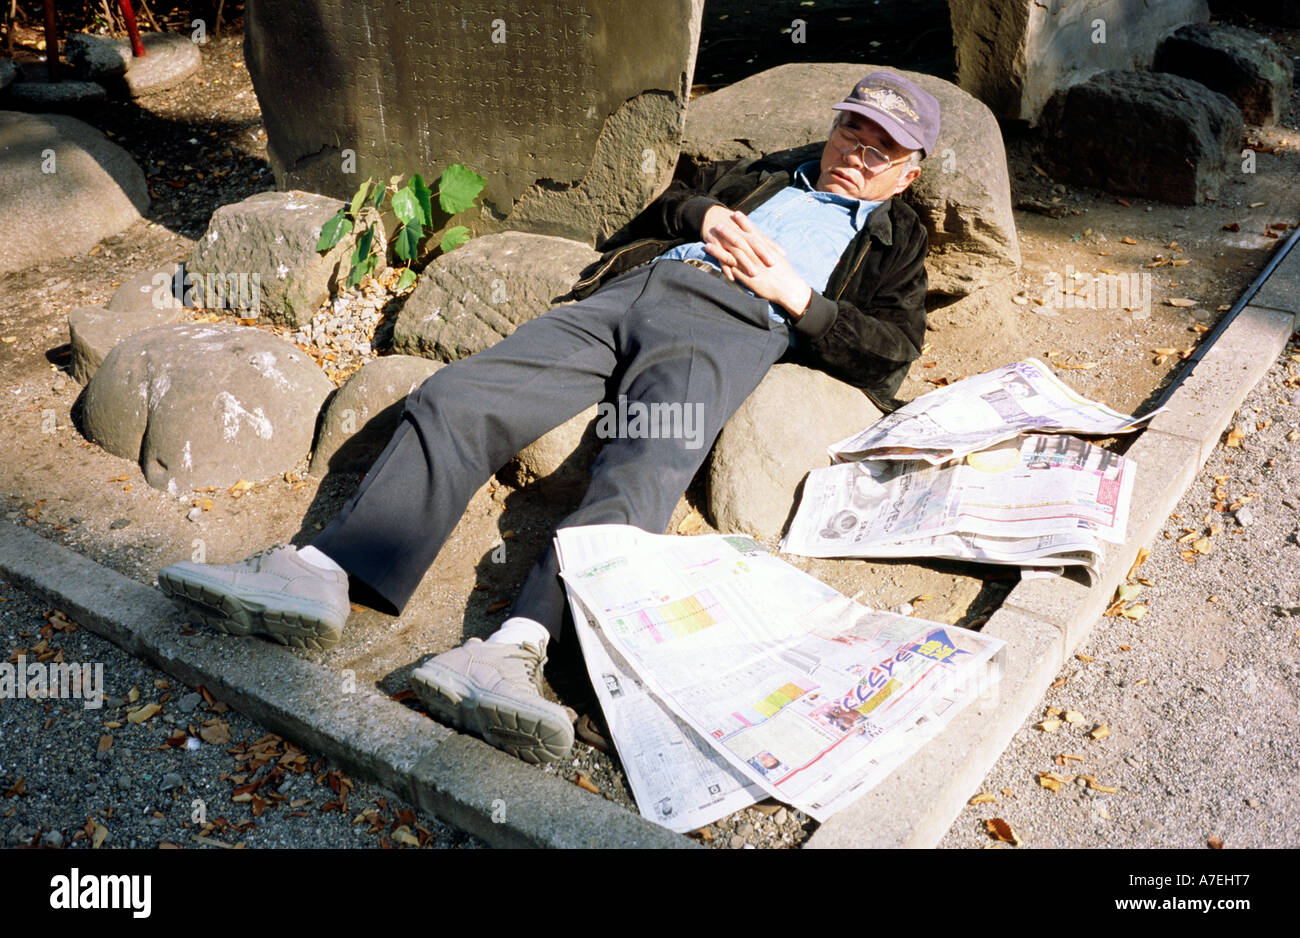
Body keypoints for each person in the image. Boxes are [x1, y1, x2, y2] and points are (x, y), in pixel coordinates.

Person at [158, 71, 940, 765]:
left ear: (907, 174)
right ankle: (323, 574)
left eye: (880, 152)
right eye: (851, 130)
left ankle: (513, 651)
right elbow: (662, 204)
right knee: (457, 395)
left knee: (642, 469)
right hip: (625, 297)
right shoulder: (770, 172)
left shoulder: (897, 239)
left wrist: (795, 295)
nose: (855, 154)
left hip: (731, 325)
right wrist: (701, 216)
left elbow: (891, 349)